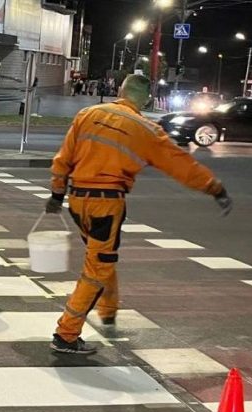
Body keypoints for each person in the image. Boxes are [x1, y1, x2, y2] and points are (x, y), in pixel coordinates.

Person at [44, 74, 232, 355]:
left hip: (78, 200)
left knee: (101, 258)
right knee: (98, 267)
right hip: (106, 205)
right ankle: (66, 334)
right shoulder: (147, 129)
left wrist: (57, 194)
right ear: (146, 99)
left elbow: (63, 159)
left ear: (120, 90)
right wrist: (214, 188)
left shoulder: (88, 114)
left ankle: (108, 313)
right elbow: (181, 165)